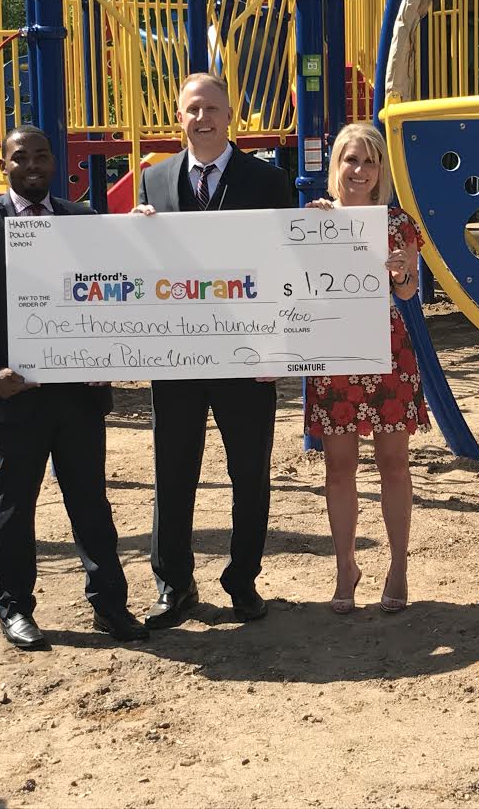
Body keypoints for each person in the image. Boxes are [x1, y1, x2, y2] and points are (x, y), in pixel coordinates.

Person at [0, 125, 147, 650]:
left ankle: (110, 605)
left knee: (91, 502)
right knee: (16, 504)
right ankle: (16, 609)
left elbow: (114, 290)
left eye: (42, 156)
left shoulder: (84, 220)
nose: (33, 165)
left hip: (78, 391)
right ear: (4, 165)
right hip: (14, 393)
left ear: (57, 164)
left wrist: (142, 234)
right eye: (21, 157)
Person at [131, 73, 291, 627]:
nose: (203, 119)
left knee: (251, 475)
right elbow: (140, 272)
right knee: (172, 474)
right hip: (176, 360)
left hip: (248, 359)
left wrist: (279, 349)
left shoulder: (269, 181)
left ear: (232, 116)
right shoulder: (152, 182)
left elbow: (284, 269)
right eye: (193, 109)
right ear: (179, 117)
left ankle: (242, 581)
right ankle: (174, 586)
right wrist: (133, 236)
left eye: (213, 109)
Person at [304, 123, 429, 615]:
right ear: (336, 165)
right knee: (339, 467)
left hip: (387, 352)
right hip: (334, 352)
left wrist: (402, 272)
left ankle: (398, 565)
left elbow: (407, 294)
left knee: (393, 464)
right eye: (350, 160)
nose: (359, 170)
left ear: (381, 171)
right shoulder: (314, 218)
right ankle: (345, 567)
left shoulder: (397, 223)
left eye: (369, 162)